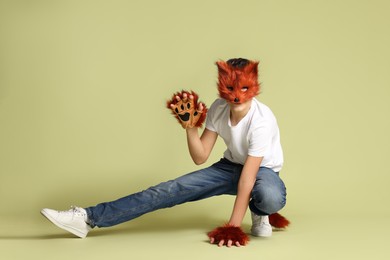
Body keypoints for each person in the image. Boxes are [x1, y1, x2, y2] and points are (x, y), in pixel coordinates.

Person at [41, 58, 287, 247]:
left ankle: (260, 212)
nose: (236, 96)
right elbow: (200, 156)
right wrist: (190, 127)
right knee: (168, 190)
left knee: (269, 196)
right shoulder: (219, 108)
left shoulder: (261, 121)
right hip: (229, 167)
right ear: (222, 83)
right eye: (231, 88)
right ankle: (87, 218)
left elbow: (248, 178)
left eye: (243, 88)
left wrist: (233, 228)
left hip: (261, 172)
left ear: (253, 84)